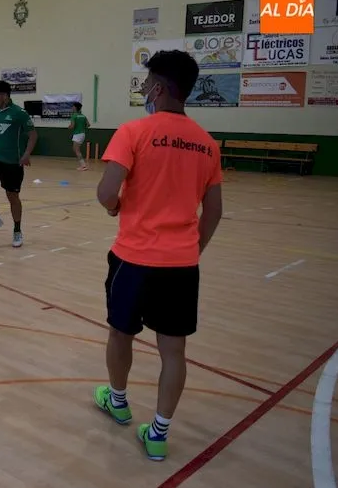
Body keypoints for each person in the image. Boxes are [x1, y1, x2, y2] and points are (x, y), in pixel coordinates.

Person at [93, 49, 223, 461]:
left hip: (133, 259)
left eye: (147, 83)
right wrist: (192, 249)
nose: (145, 89)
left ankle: (117, 402)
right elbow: (214, 211)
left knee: (121, 333)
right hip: (181, 265)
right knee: (173, 351)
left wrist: (115, 206)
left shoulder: (133, 132)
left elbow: (106, 192)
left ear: (160, 88)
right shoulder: (207, 144)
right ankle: (158, 434)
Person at [0, 80, 37, 248]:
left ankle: (17, 230)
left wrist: (26, 154)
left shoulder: (19, 113)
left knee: (12, 197)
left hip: (13, 162)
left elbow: (33, 135)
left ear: (5, 95)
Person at [67, 101, 90, 170]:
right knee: (76, 149)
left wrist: (69, 127)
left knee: (76, 150)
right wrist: (81, 127)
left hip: (77, 134)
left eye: (73, 107)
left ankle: (83, 166)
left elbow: (72, 126)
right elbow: (88, 125)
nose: (72, 108)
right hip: (82, 134)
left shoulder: (74, 116)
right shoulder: (83, 116)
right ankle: (83, 165)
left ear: (75, 108)